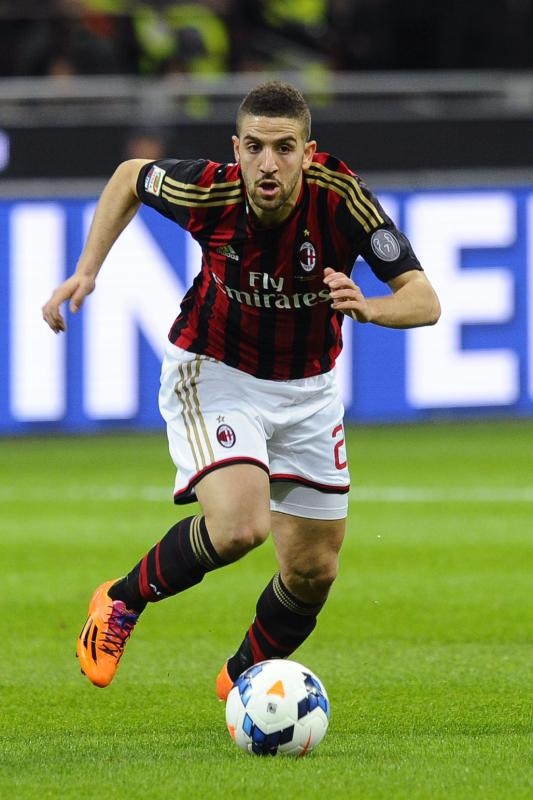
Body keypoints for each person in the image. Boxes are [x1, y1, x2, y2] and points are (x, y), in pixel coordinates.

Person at [42, 80, 440, 696]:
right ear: (237, 149)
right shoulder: (210, 191)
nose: (268, 163)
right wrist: (86, 270)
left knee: (313, 570)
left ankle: (240, 683)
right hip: (215, 369)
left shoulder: (343, 200)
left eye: (284, 148)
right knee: (238, 526)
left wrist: (370, 307)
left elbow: (425, 300)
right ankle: (120, 600)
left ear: (308, 154)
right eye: (254, 147)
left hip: (308, 390)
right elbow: (129, 177)